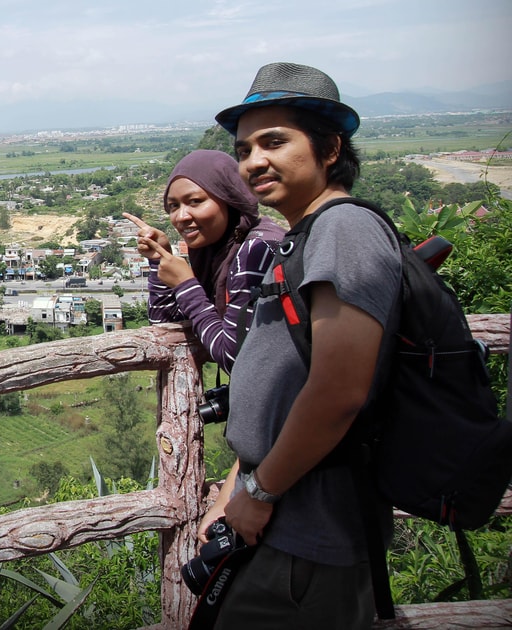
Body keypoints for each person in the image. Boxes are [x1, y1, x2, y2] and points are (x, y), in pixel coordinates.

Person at [197, 62, 402, 629]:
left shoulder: (343, 231)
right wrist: (239, 484)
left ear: (330, 147)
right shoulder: (304, 237)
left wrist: (259, 492)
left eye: (274, 141)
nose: (253, 162)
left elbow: (338, 391)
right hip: (280, 522)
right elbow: (286, 384)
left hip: (313, 536)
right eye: (244, 149)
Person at [123, 149, 285, 373]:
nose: (181, 216)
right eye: (173, 206)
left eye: (195, 201)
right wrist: (160, 258)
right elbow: (164, 326)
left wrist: (186, 285)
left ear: (230, 198)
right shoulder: (219, 252)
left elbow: (234, 360)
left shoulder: (257, 251)